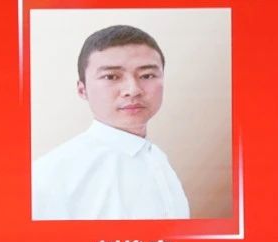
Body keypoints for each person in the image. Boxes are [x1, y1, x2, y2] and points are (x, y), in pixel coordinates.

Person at [32, 25, 189, 220]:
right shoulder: (49, 176)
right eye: (111, 76)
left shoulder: (158, 158)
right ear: (82, 90)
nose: (133, 90)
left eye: (147, 75)